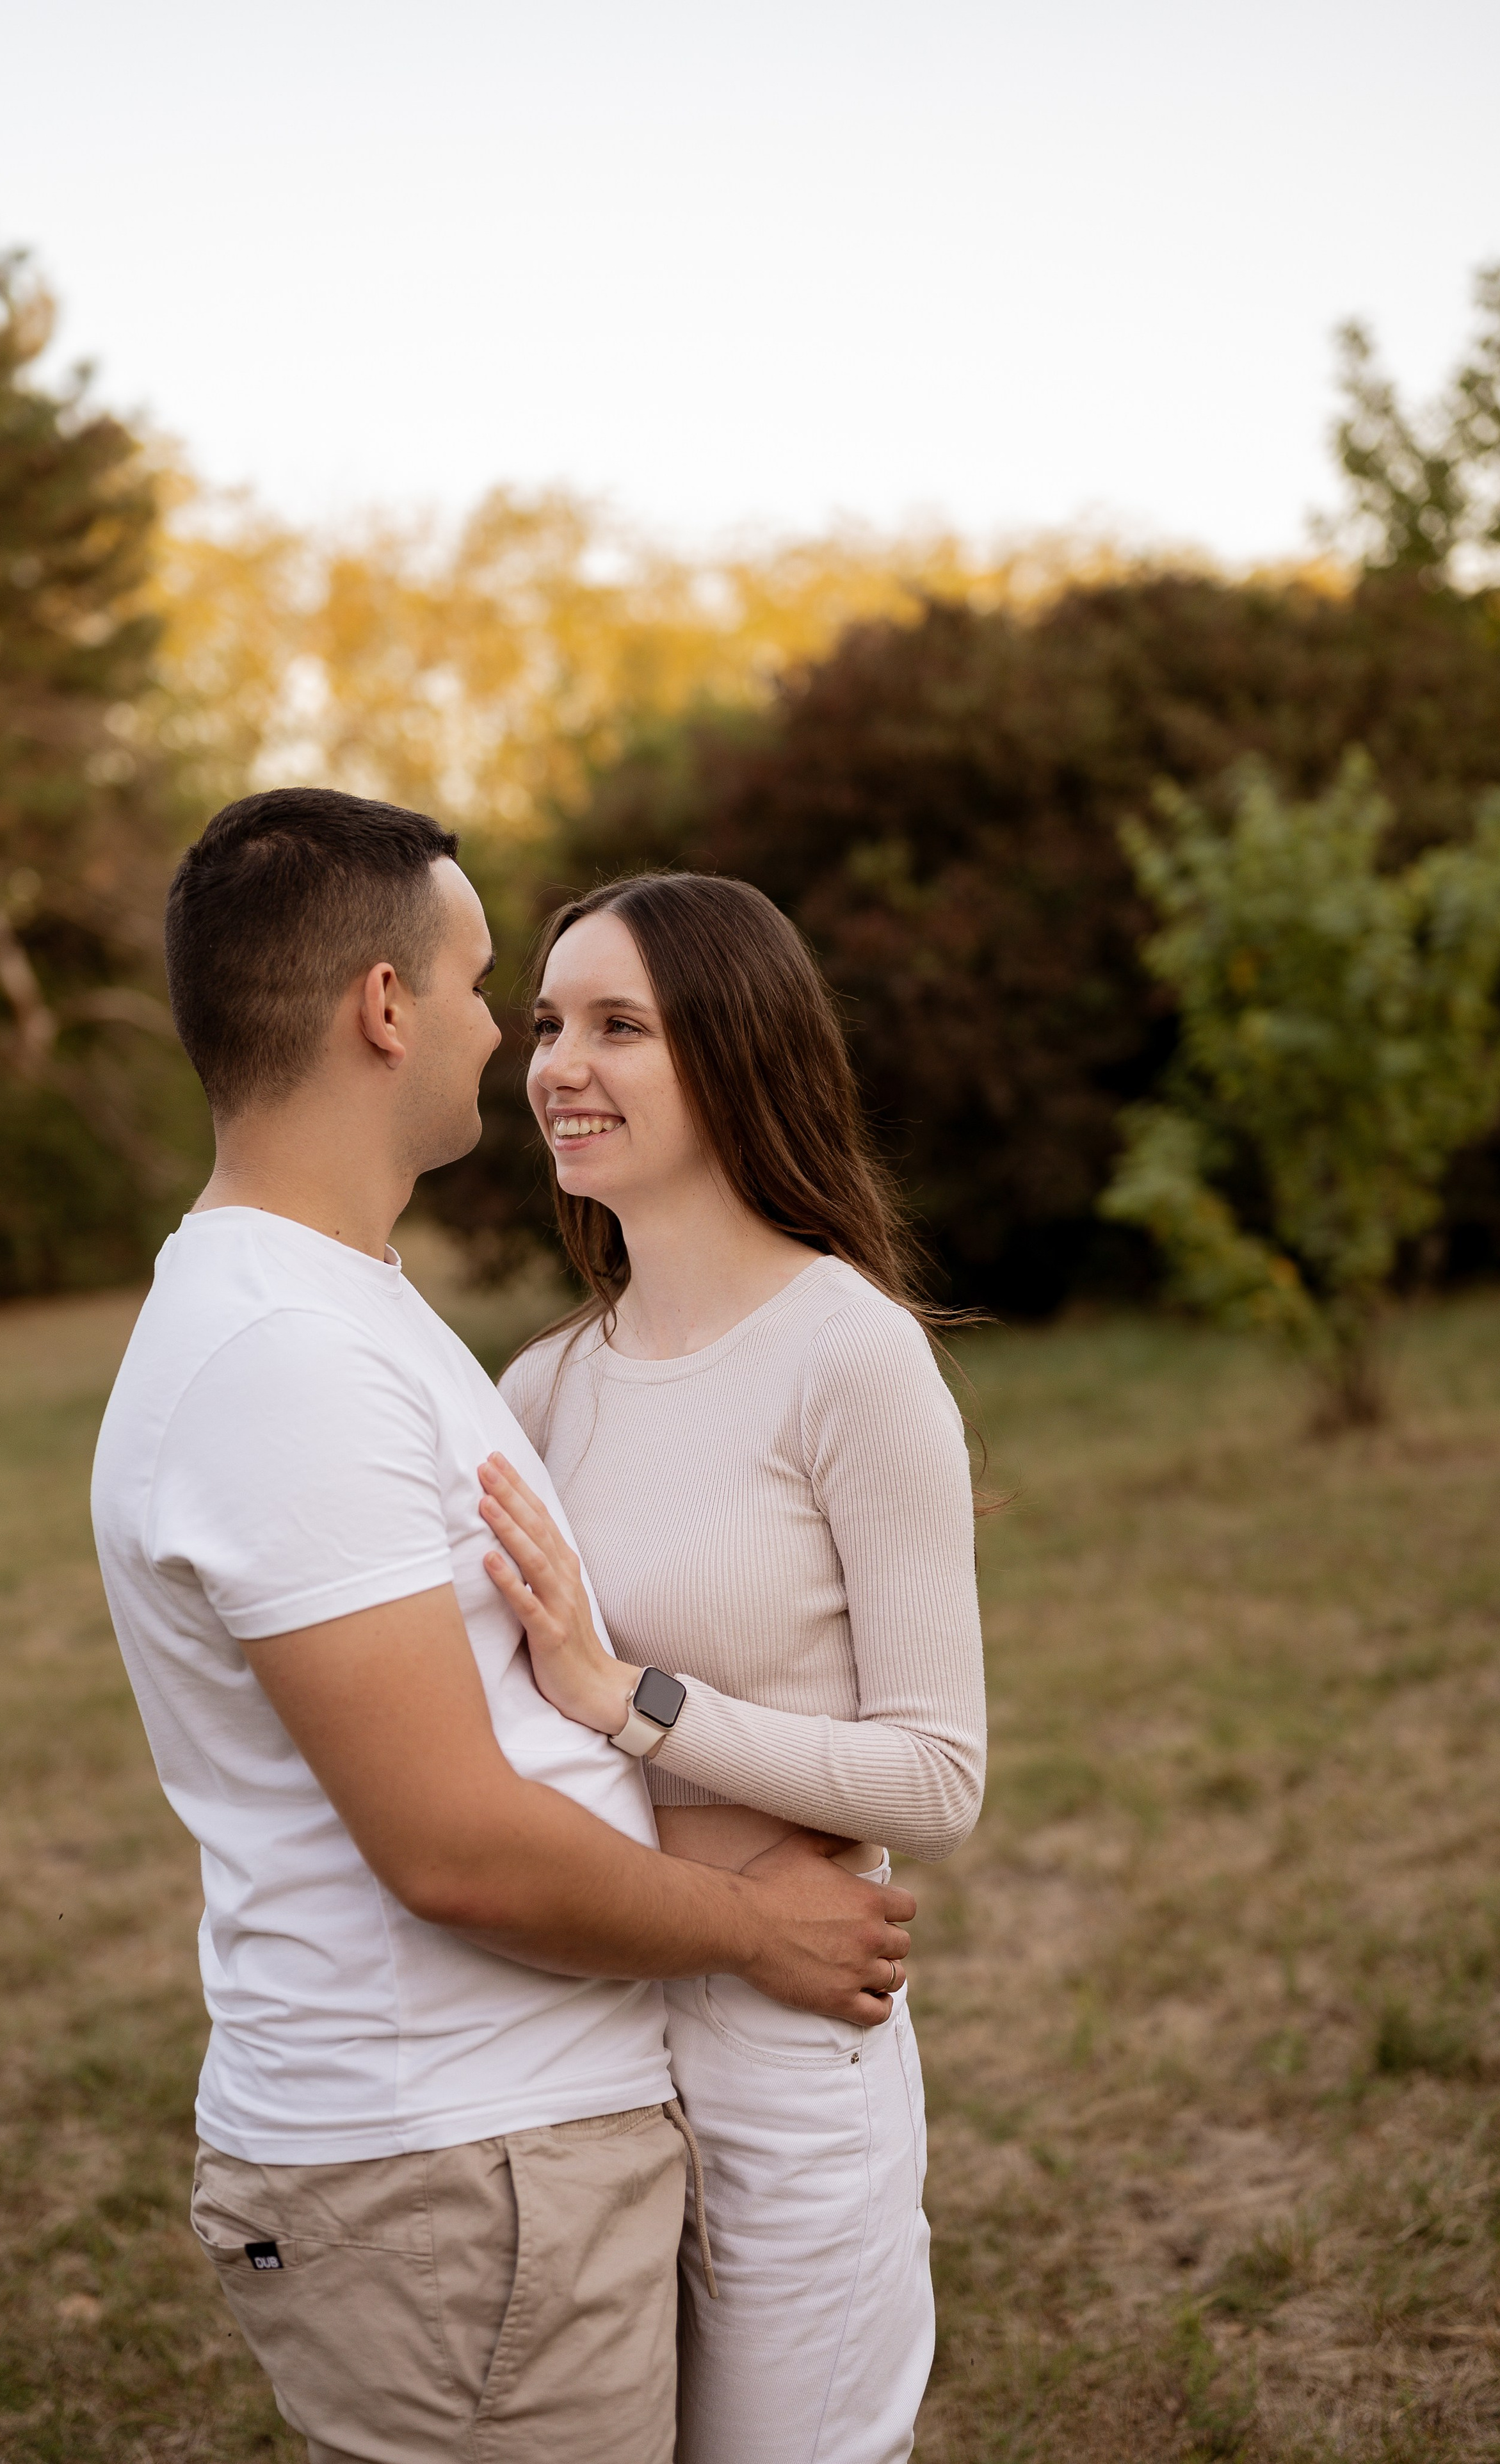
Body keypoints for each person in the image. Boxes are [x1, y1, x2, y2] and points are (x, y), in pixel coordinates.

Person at [90, 792, 915, 2464]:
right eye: (484, 991)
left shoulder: (340, 1306)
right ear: (384, 1007)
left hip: (500, 2157)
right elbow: (454, 1847)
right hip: (454, 2178)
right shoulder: (282, 1360)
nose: (503, 1039)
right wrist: (754, 1930)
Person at [485, 871, 987, 2464]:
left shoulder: (848, 1353)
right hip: (584, 2030)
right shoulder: (541, 1386)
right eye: (546, 1023)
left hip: (786, 2034)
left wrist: (629, 1698)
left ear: (734, 1050)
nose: (559, 1065)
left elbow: (938, 1777)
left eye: (616, 1026)